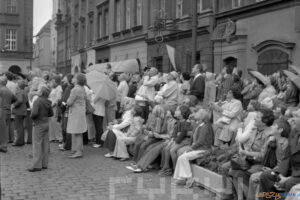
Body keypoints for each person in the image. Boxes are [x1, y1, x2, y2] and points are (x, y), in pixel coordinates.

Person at [173, 109, 214, 186]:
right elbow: (188, 128)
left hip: (203, 150)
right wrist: (188, 120)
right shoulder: (200, 125)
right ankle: (181, 178)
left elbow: (201, 141)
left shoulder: (205, 127)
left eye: (197, 113)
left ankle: (189, 178)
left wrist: (191, 148)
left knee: (184, 157)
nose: (195, 114)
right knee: (181, 157)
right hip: (198, 148)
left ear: (202, 116)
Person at [29, 86, 53, 172]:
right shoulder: (48, 101)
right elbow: (51, 113)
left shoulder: (37, 101)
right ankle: (44, 164)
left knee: (37, 144)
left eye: (39, 90)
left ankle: (36, 165)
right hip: (46, 123)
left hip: (38, 124)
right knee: (45, 144)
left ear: (41, 92)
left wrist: (31, 116)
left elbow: (34, 113)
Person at [66, 73, 87, 158]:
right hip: (80, 112)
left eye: (74, 77)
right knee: (78, 131)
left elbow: (69, 102)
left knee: (77, 132)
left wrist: (67, 101)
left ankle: (78, 151)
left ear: (77, 80)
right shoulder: (82, 88)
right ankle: (77, 149)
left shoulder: (75, 89)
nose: (72, 78)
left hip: (76, 113)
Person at [0, 76, 16, 152]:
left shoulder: (1, 89)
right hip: (8, 111)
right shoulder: (8, 90)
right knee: (4, 129)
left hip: (2, 110)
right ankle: (4, 145)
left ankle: (3, 146)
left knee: (2, 129)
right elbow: (15, 99)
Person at [12, 80, 28, 146]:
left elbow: (20, 100)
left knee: (18, 127)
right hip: (23, 110)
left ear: (19, 85)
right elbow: (26, 101)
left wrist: (14, 105)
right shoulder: (24, 91)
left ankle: (18, 141)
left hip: (19, 111)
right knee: (21, 126)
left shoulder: (19, 91)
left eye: (17, 83)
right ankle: (21, 141)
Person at [48, 75, 63, 142]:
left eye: (53, 81)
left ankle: (59, 137)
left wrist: (53, 104)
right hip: (51, 106)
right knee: (51, 122)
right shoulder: (54, 88)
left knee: (55, 122)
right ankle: (52, 137)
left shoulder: (59, 88)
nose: (52, 82)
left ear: (56, 81)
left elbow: (58, 98)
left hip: (55, 107)